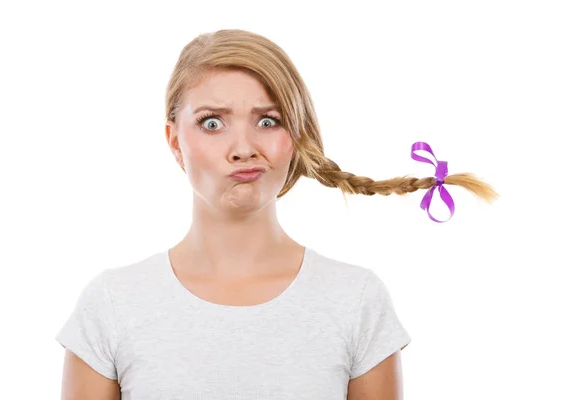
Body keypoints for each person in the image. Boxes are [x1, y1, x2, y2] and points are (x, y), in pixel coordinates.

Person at [55, 29, 497, 399]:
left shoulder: (356, 301)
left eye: (268, 120)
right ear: (175, 141)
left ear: (296, 135)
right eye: (213, 122)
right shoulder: (112, 306)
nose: (244, 147)